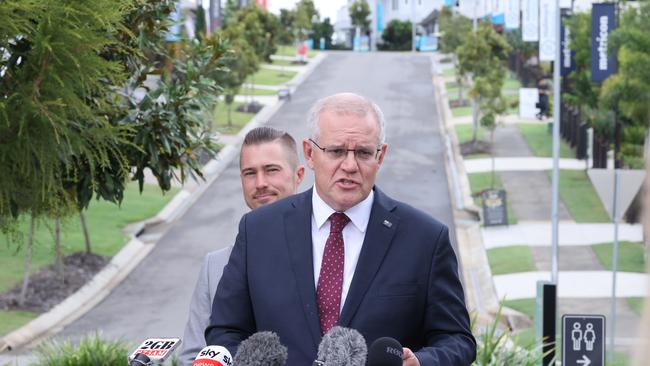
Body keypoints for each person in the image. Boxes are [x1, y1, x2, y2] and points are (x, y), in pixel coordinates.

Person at [205, 93, 476, 365]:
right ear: (310, 153)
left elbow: (457, 340)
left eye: (363, 153)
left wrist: (422, 362)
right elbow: (226, 330)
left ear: (380, 156)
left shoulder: (425, 239)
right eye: (336, 151)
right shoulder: (258, 231)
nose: (349, 165)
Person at [177, 127, 305, 366]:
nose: (260, 183)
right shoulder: (215, 265)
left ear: (298, 175)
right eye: (250, 173)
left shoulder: (328, 254)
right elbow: (193, 356)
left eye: (271, 170)